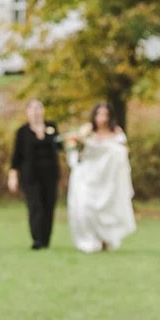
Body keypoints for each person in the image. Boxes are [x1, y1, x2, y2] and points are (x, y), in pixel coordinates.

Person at [66, 102, 136, 254]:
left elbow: (122, 154)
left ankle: (106, 239)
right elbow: (79, 155)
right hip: (89, 177)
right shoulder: (87, 132)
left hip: (109, 179)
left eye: (106, 115)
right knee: (86, 208)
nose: (102, 118)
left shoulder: (117, 133)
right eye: (99, 114)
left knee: (109, 209)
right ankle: (91, 240)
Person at [8, 100, 63, 249]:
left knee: (48, 207)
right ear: (27, 112)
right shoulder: (22, 132)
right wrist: (12, 176)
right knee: (35, 206)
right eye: (32, 108)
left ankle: (46, 240)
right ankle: (37, 239)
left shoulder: (52, 127)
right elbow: (16, 156)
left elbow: (60, 147)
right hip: (30, 176)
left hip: (50, 175)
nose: (35, 111)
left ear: (43, 110)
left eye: (38, 108)